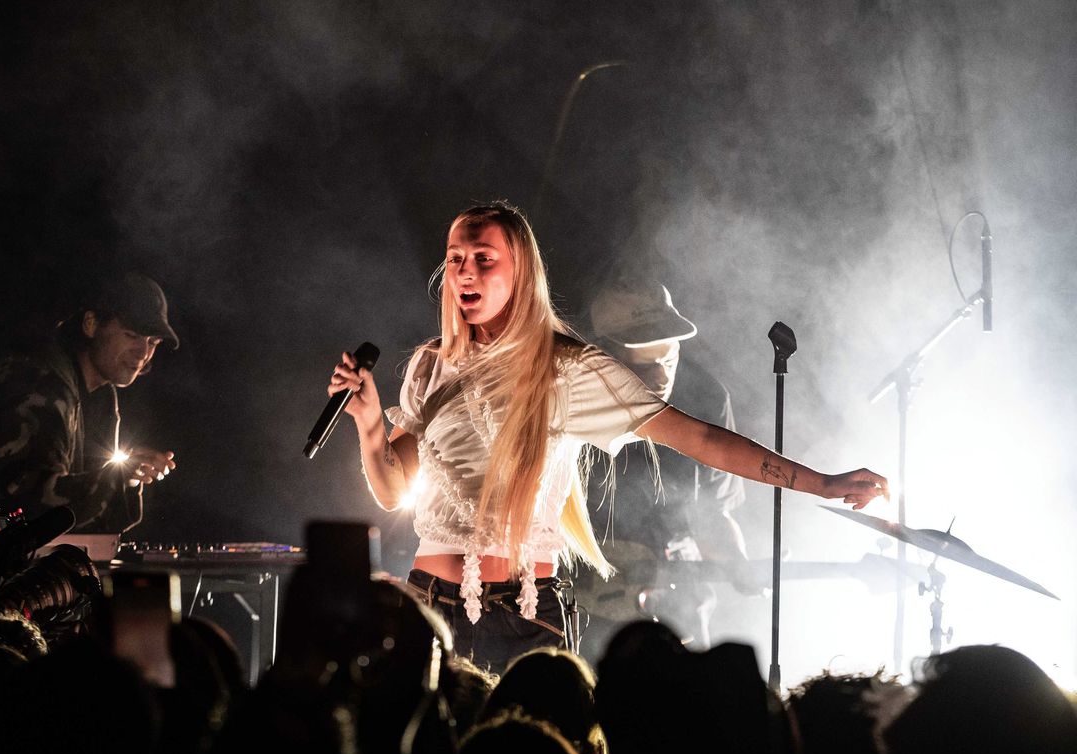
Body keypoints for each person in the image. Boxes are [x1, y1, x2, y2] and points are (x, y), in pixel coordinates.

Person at [328, 202, 887, 674]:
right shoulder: (430, 365)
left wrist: (821, 482)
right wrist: (370, 422)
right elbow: (391, 490)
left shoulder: (567, 370)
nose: (465, 272)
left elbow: (697, 438)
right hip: (426, 606)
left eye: (483, 259)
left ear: (520, 271)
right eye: (455, 260)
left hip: (522, 614)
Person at [580, 282, 748, 650]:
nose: (661, 375)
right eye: (644, 363)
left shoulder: (706, 396)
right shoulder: (574, 396)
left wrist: (737, 563)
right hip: (583, 604)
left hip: (678, 602)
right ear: (603, 357)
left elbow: (713, 511)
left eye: (668, 358)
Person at [0, 271, 180, 532]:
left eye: (153, 341)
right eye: (131, 335)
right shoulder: (39, 379)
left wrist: (128, 480)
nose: (143, 352)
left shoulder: (102, 397)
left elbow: (96, 523)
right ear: (91, 324)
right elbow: (27, 501)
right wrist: (116, 479)